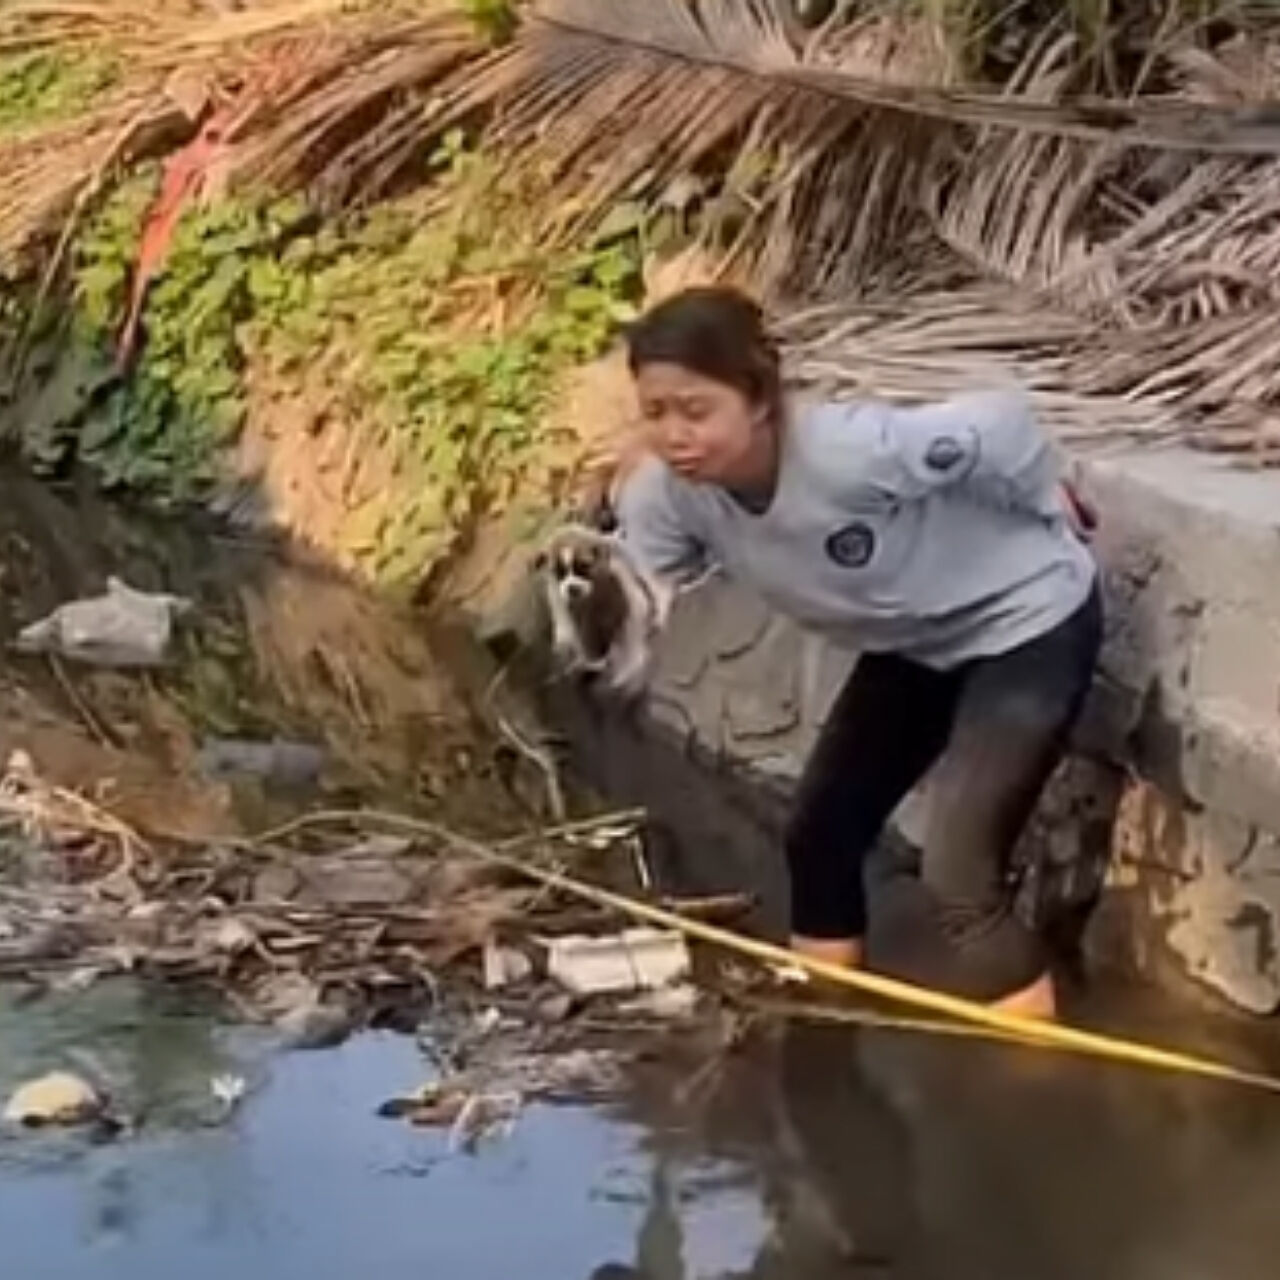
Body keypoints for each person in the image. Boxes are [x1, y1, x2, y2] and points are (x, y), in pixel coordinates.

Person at [611, 286, 1102, 1019]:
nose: (675, 435)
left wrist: (1045, 495)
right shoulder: (668, 496)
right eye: (656, 413)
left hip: (1024, 623)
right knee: (820, 837)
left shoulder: (848, 453)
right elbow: (648, 577)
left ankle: (1035, 1083)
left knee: (958, 877)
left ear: (761, 400)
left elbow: (998, 422)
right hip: (913, 647)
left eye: (696, 410)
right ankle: (825, 1023)